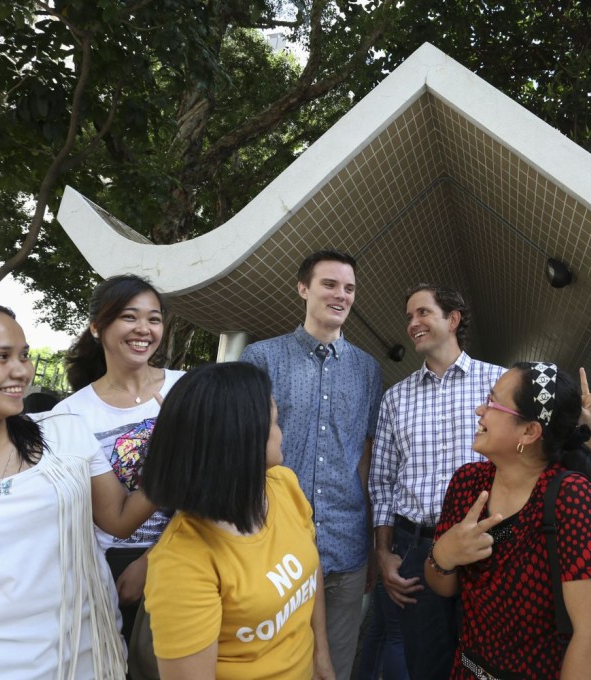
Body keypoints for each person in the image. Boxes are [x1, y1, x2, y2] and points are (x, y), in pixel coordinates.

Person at [0, 298, 156, 678]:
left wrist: (182, 460)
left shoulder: (65, 432)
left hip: (87, 664)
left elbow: (119, 520)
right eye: (1, 356)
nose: (21, 370)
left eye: (23, 355)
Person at [426, 362, 591, 678]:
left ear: (530, 431)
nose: (480, 410)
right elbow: (441, 585)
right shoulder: (468, 483)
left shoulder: (571, 496)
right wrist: (444, 555)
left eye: (492, 403)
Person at [240, 249, 382, 680]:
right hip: (276, 545)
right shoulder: (261, 358)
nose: (341, 295)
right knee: (275, 666)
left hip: (346, 543)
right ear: (303, 289)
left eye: (349, 288)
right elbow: (244, 453)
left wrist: (372, 540)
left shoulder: (368, 369)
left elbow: (365, 457)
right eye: (330, 284)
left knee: (335, 667)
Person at [141, 362, 334, 680]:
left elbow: (311, 573)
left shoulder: (283, 484)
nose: (281, 432)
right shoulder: (182, 562)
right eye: (274, 422)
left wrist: (321, 656)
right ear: (240, 440)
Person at [367, 284, 505, 679]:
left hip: (486, 547)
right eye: (409, 317)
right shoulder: (396, 398)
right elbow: (382, 483)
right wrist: (383, 552)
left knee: (484, 662)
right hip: (415, 549)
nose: (413, 323)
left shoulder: (499, 384)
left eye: (423, 312)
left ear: (453, 319)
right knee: (425, 665)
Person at [53, 274, 185, 648]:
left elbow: (210, 488)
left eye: (154, 319)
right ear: (97, 327)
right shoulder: (69, 415)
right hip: (104, 568)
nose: (144, 329)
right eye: (129, 316)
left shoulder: (186, 389)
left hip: (187, 552)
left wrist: (152, 560)